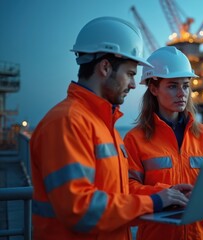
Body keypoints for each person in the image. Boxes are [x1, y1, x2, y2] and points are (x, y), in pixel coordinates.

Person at [30, 17, 192, 240]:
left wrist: (165, 193)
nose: (135, 84)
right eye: (130, 74)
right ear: (105, 67)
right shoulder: (67, 122)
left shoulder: (105, 126)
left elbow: (118, 194)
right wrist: (155, 202)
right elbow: (79, 209)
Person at [124, 46, 203, 240]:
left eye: (186, 85)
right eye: (173, 86)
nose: (182, 93)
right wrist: (165, 194)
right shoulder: (135, 139)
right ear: (154, 88)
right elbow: (126, 189)